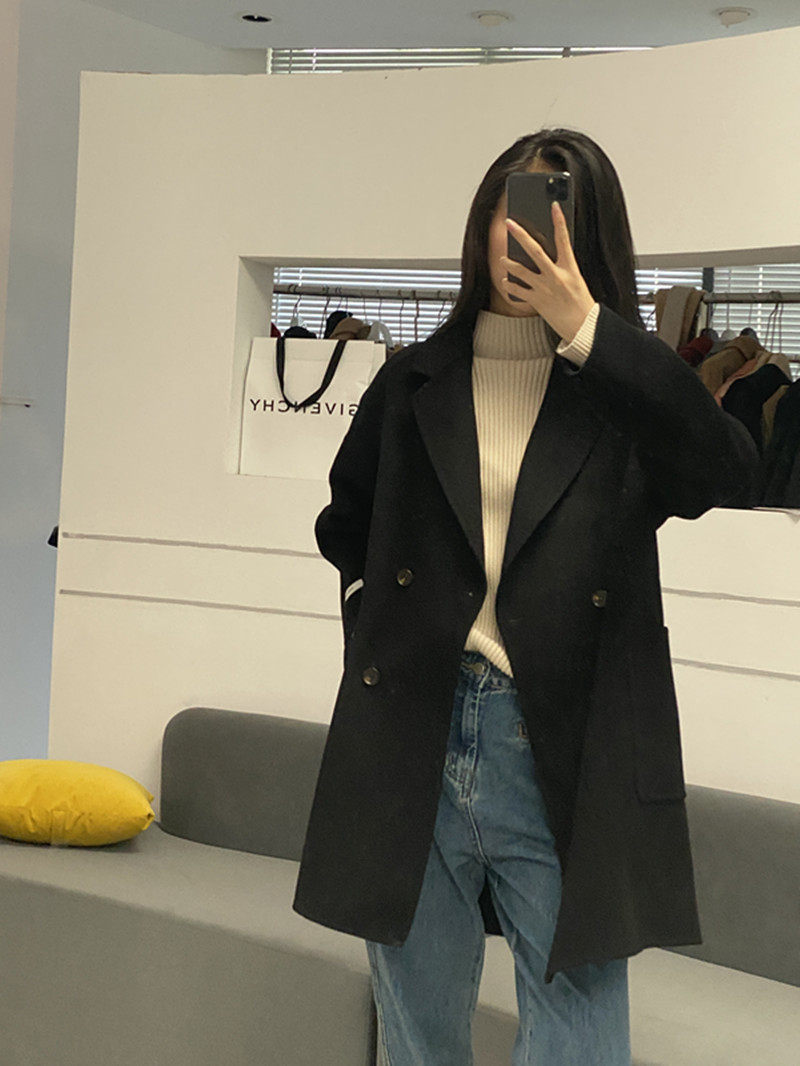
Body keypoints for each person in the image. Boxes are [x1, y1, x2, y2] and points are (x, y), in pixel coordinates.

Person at [292, 127, 759, 1065]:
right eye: (512, 211)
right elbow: (346, 521)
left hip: (559, 740)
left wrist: (592, 333)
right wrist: (375, 633)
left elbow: (726, 474)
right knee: (418, 1034)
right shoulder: (413, 381)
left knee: (580, 1036)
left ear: (589, 241)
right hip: (415, 729)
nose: (525, 237)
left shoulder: (621, 394)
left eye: (553, 218)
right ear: (482, 225)